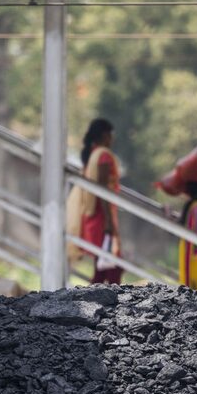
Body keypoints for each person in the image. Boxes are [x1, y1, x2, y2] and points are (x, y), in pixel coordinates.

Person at [67, 118, 123, 284]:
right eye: (111, 135)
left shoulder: (93, 154)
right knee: (113, 267)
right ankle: (110, 297)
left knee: (103, 268)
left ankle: (98, 296)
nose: (112, 140)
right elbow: (103, 189)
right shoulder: (103, 156)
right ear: (105, 135)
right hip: (101, 216)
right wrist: (109, 222)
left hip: (95, 215)